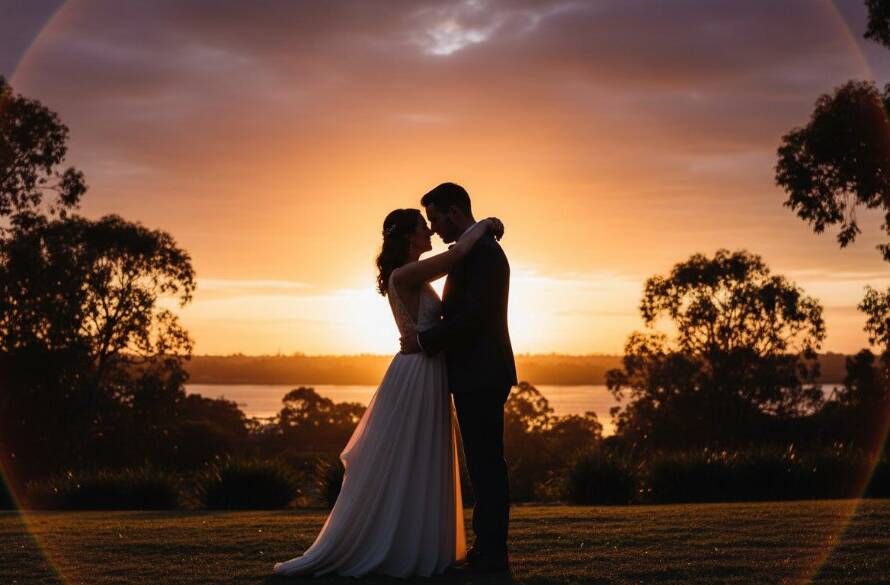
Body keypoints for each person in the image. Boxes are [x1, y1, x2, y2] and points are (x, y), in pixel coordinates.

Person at [272, 206, 503, 578]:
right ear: (410, 237)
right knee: (412, 454)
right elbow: (458, 254)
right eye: (423, 227)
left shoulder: (408, 275)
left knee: (422, 456)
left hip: (426, 366)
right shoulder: (406, 274)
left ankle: (420, 542)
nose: (430, 231)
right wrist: (487, 224)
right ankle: (397, 544)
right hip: (418, 371)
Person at [401, 182, 517, 572]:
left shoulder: (482, 254)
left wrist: (423, 341)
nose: (433, 228)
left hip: (481, 372)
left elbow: (471, 320)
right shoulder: (474, 249)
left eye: (434, 217)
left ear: (453, 211)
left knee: (486, 466)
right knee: (483, 466)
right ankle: (487, 550)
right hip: (475, 372)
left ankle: (492, 554)